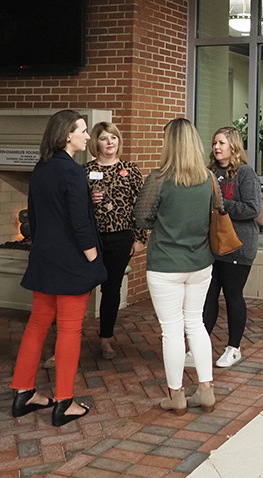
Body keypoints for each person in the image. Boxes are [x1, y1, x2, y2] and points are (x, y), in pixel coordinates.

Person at [11, 110, 106, 427]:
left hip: (44, 259)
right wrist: (93, 256)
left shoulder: (41, 168)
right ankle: (64, 402)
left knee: (37, 325)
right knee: (69, 330)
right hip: (71, 264)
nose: (88, 136)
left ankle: (24, 393)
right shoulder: (74, 172)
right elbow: (80, 223)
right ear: (68, 135)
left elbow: (33, 219)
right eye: (83, 130)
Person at [135, 118, 217, 415]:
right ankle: (206, 391)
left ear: (169, 144)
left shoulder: (158, 178)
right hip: (200, 262)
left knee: (172, 330)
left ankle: (176, 395)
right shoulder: (208, 178)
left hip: (166, 263)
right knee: (196, 323)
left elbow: (141, 218)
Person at [85, 122, 148, 360]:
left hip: (121, 237)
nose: (110, 142)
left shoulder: (130, 170)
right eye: (104, 138)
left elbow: (141, 207)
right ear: (95, 143)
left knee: (111, 289)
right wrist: (90, 199)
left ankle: (105, 340)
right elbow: (76, 209)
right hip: (92, 238)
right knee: (81, 288)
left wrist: (140, 238)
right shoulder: (85, 170)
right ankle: (67, 337)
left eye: (114, 137)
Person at [202, 126, 262, 368]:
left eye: (222, 143)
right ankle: (200, 346)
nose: (216, 147)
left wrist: (220, 204)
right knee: (208, 296)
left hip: (238, 246)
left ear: (233, 146)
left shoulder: (245, 173)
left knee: (232, 296)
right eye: (215, 142)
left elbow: (252, 208)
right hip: (213, 245)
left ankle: (233, 348)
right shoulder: (209, 172)